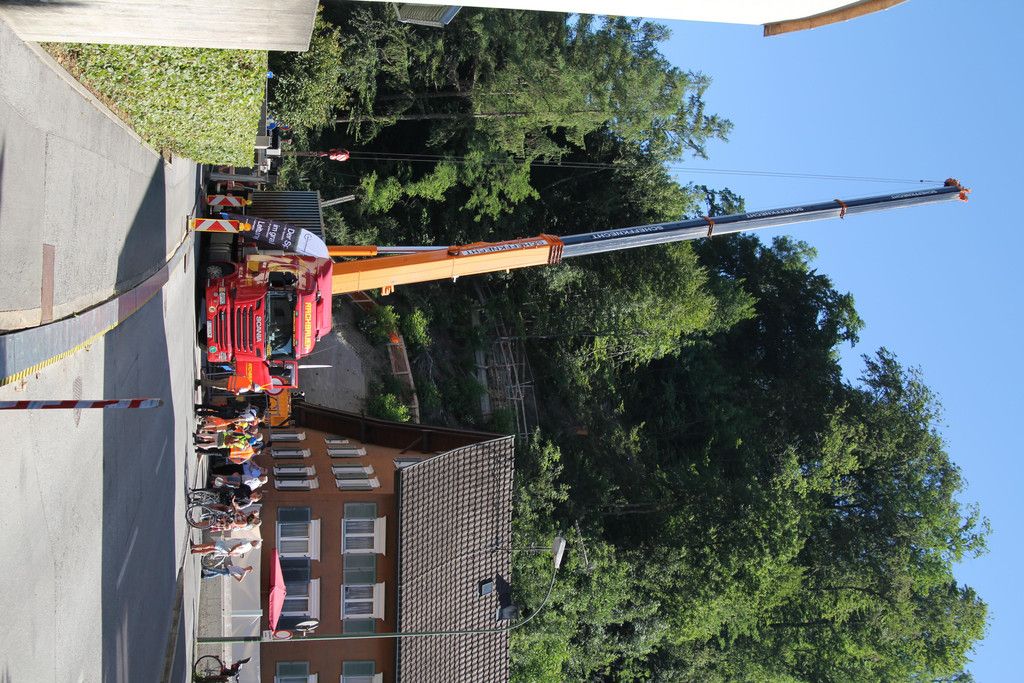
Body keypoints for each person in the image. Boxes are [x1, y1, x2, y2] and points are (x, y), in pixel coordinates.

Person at [191, 538, 261, 557]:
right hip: (226, 549)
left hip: (225, 546)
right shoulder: (248, 549)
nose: (254, 540)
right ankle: (195, 551)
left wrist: (231, 552)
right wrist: (230, 553)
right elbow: (238, 554)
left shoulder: (247, 542)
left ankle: (194, 546)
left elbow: (237, 546)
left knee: (210, 545)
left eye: (256, 541)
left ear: (255, 542)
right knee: (211, 549)